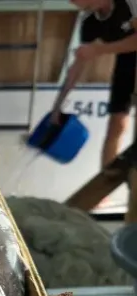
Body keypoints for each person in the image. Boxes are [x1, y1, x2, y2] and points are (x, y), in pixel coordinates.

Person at [51, 0, 137, 175]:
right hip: (127, 62)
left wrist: (101, 49)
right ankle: (105, 182)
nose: (77, 6)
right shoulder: (90, 23)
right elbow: (78, 65)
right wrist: (57, 106)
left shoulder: (128, 4)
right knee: (117, 122)